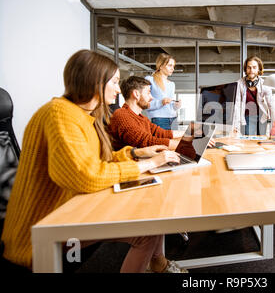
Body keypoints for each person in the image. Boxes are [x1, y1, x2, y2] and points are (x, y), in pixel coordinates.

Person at [1, 50, 186, 273]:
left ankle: (159, 265)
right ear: (95, 81)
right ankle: (158, 265)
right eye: (115, 82)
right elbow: (86, 176)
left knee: (153, 218)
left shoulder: (81, 115)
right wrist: (149, 164)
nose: (119, 89)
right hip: (41, 232)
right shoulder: (60, 115)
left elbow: (97, 161)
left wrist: (136, 154)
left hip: (67, 212)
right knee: (148, 229)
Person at [109, 76, 185, 151]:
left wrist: (189, 134)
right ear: (136, 94)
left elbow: (162, 133)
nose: (151, 97)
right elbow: (147, 142)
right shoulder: (122, 115)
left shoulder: (142, 118)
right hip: (130, 162)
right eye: (148, 93)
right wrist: (184, 146)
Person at [232, 56, 272, 136]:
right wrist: (235, 125)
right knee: (248, 140)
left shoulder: (265, 84)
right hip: (248, 117)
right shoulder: (239, 84)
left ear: (259, 69)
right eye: (249, 68)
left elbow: (271, 104)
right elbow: (237, 105)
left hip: (262, 117)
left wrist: (274, 123)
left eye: (254, 67)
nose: (251, 70)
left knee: (262, 140)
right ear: (246, 69)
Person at [143, 53, 181, 131]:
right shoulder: (150, 80)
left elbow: (170, 106)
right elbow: (144, 103)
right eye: (170, 65)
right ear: (161, 66)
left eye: (173, 66)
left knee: (175, 143)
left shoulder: (171, 84)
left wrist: (176, 106)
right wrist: (161, 102)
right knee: (161, 143)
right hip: (159, 120)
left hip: (173, 119)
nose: (172, 69)